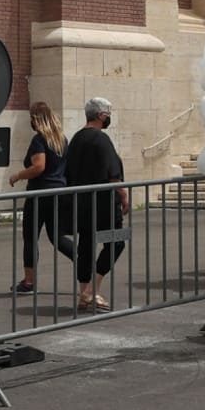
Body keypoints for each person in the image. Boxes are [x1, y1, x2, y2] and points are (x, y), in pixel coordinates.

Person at [62, 97, 128, 313]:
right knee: (116, 242)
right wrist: (124, 196)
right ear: (101, 115)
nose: (109, 117)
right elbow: (113, 176)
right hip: (103, 204)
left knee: (86, 246)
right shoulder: (102, 140)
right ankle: (91, 290)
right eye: (108, 113)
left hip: (80, 203)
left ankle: (85, 294)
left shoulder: (76, 139)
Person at [6, 102, 68, 293]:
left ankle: (29, 282)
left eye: (31, 118)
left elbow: (39, 166)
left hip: (39, 194)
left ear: (36, 119)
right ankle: (85, 260)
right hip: (58, 193)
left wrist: (18, 175)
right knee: (56, 236)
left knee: (30, 237)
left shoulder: (39, 140)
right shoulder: (61, 140)